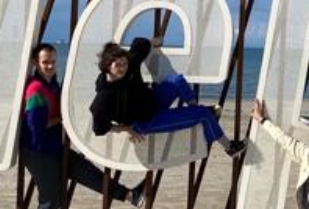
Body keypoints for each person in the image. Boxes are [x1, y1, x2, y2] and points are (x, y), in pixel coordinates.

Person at [19, 43, 141, 209]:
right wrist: (64, 118)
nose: (50, 66)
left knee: (87, 171)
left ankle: (130, 195)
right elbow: (38, 126)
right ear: (36, 63)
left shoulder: (52, 84)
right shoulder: (36, 89)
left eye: (53, 61)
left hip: (55, 148)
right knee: (51, 199)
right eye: (45, 62)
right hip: (37, 152)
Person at [89, 38, 246, 157]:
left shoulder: (130, 63)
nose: (123, 68)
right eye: (118, 66)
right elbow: (99, 128)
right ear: (106, 66)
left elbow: (139, 43)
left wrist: (153, 41)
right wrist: (127, 129)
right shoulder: (104, 97)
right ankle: (230, 148)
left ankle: (195, 113)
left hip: (153, 101)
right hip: (146, 121)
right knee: (204, 114)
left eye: (124, 63)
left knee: (178, 81)